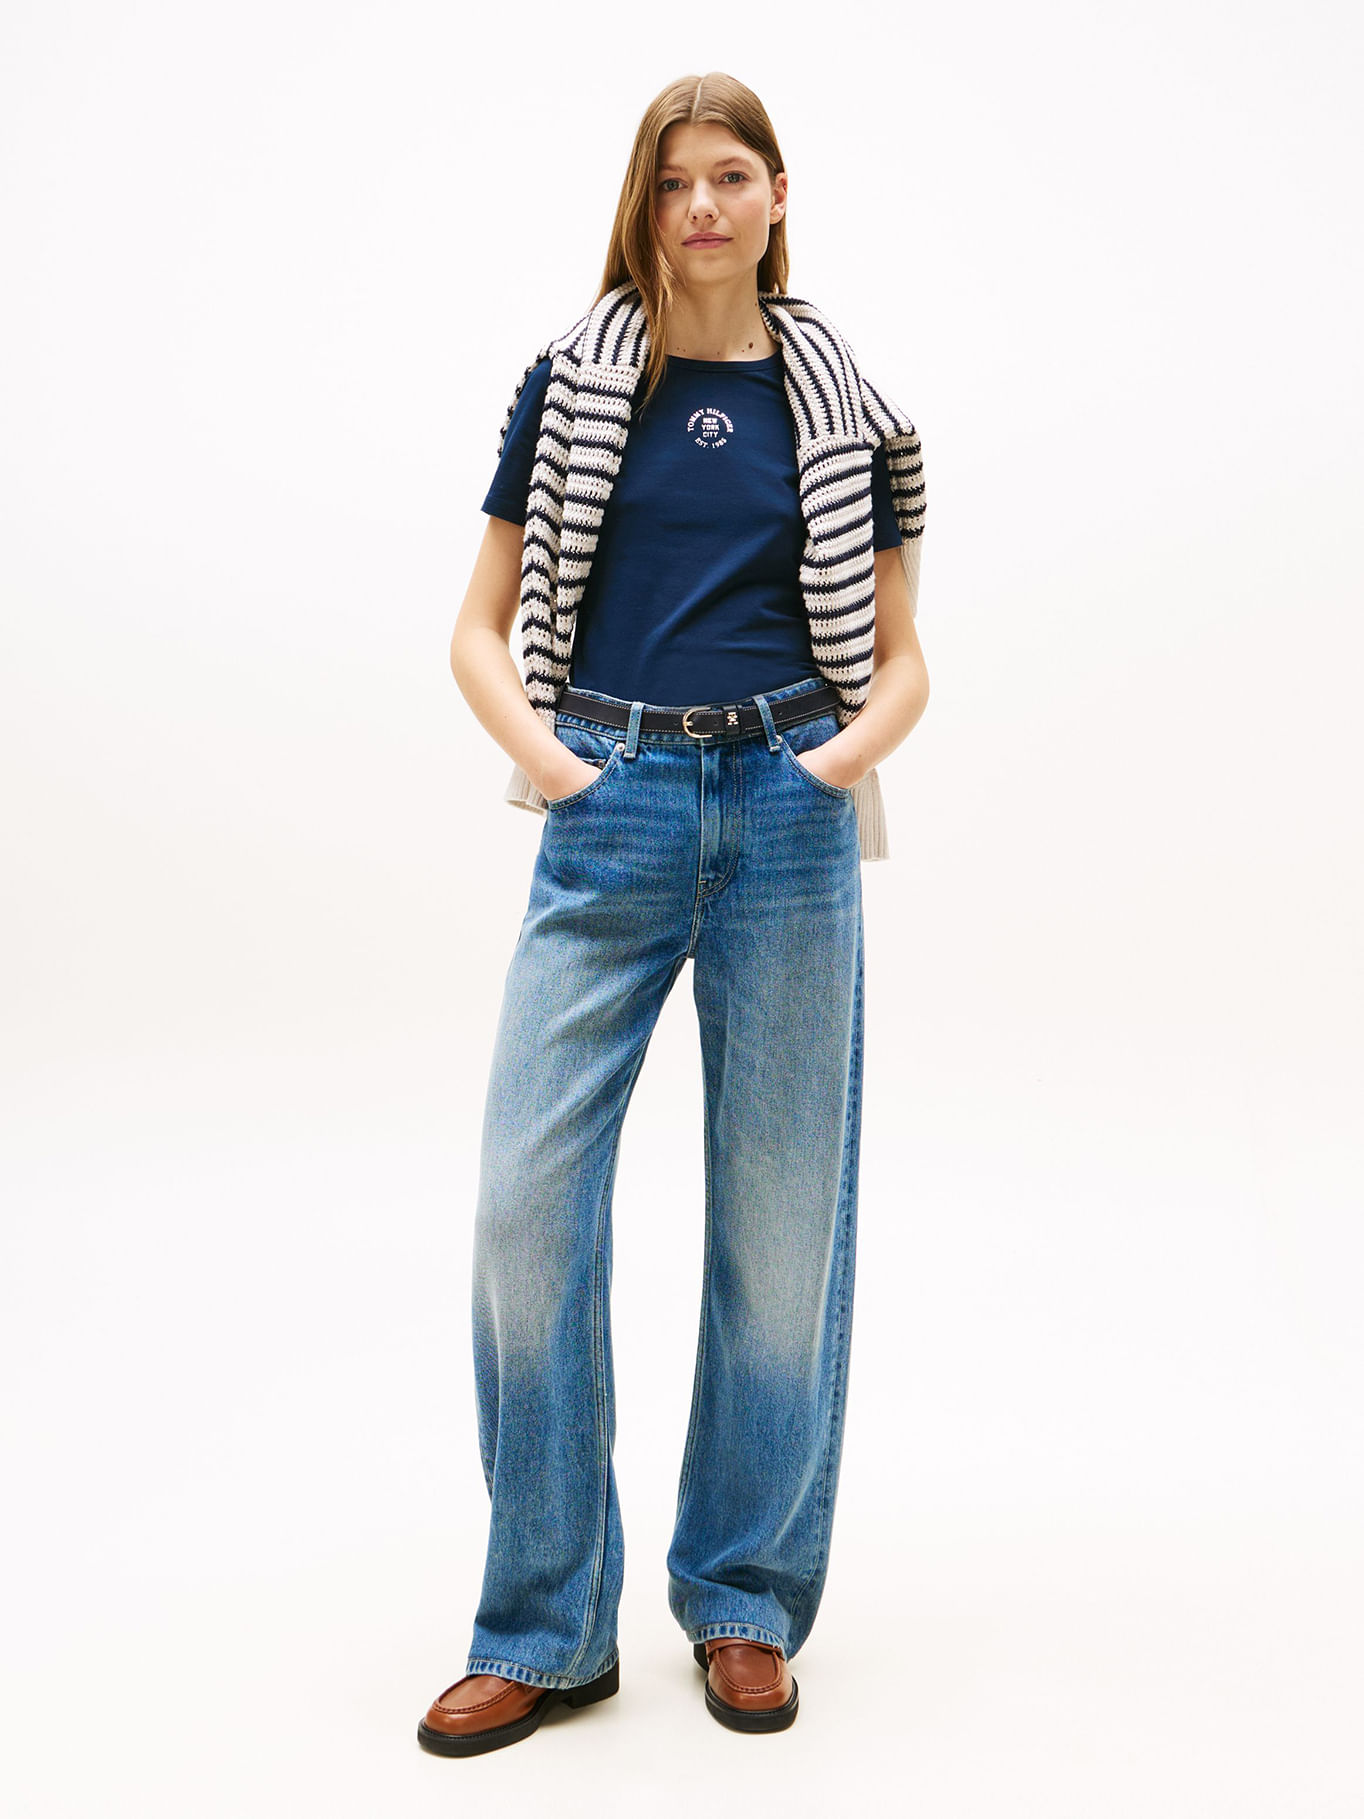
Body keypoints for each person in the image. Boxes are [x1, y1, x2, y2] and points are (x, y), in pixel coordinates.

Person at [418, 70, 929, 1757]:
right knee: (525, 1209)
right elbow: (479, 628)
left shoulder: (846, 407)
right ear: (643, 205)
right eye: (671, 181)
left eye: (730, 176)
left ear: (779, 194)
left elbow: (903, 659)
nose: (701, 206)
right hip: (613, 798)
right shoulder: (572, 383)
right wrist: (564, 773)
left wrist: (826, 766)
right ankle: (546, 1626)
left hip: (787, 806)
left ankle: (744, 1600)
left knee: (780, 1232)